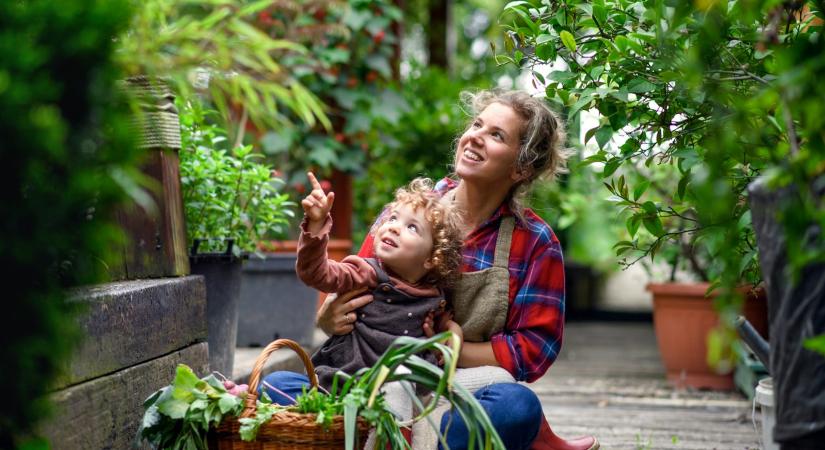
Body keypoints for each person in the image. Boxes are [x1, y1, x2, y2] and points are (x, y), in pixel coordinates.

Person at [316, 89, 599, 450]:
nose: (475, 136)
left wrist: (445, 348)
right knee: (278, 387)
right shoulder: (409, 211)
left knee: (516, 407)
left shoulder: (535, 243)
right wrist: (329, 316)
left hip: (458, 392)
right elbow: (352, 282)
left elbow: (533, 349)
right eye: (477, 124)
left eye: (496, 135)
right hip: (373, 374)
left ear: (520, 168)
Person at [294, 172, 463, 391]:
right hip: (345, 380)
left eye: (412, 227)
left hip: (402, 388)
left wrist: (452, 330)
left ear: (432, 258)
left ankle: (396, 423)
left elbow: (438, 330)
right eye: (393, 218)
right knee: (276, 382)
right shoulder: (363, 272)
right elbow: (315, 273)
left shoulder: (433, 296)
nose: (393, 226)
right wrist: (316, 225)